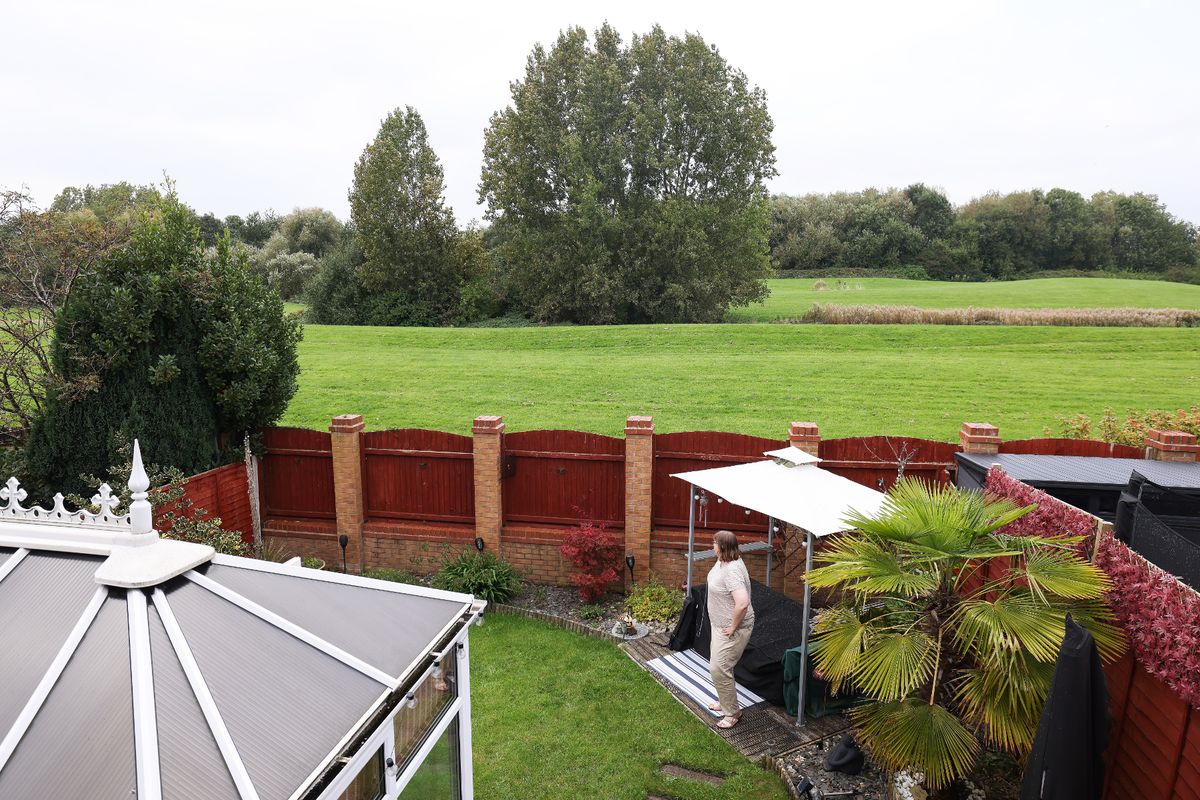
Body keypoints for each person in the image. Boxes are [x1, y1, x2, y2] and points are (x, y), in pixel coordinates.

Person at [706, 529, 755, 729]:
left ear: (723, 547)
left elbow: (742, 603)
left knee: (719, 668)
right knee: (720, 667)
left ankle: (733, 713)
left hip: (732, 629)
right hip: (719, 625)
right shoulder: (723, 561)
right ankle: (726, 702)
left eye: (715, 543)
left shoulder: (732, 570)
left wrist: (732, 626)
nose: (712, 545)